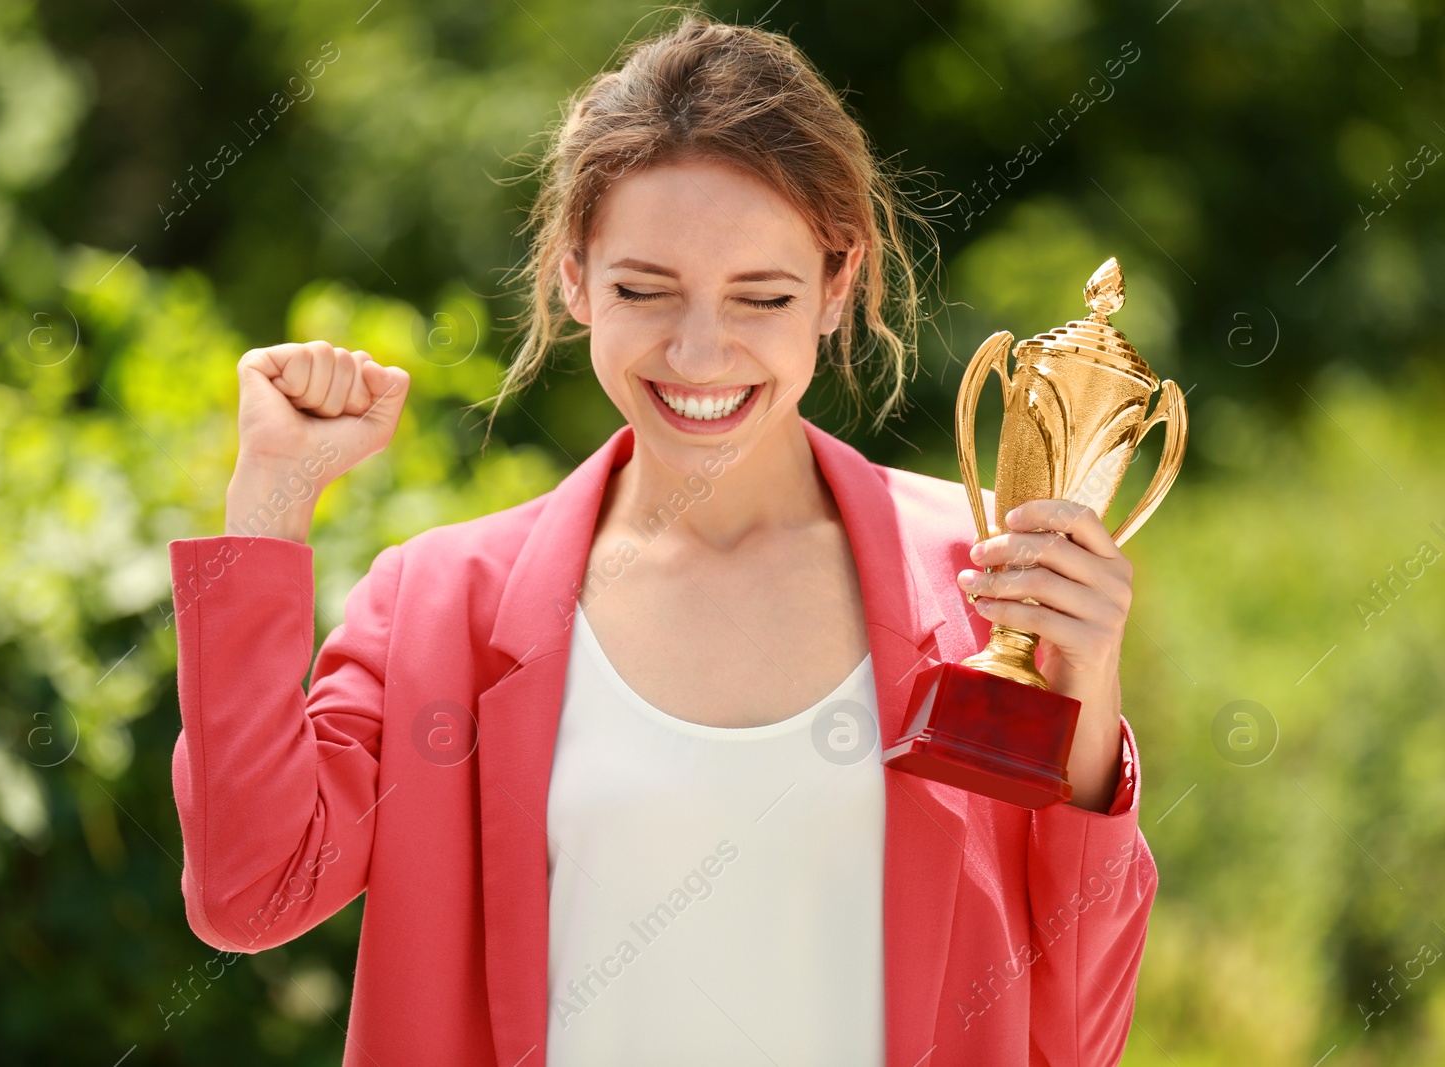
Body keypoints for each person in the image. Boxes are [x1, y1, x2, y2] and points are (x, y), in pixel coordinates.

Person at [166, 10, 1156, 1066]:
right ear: (573, 276)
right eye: (644, 288)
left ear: (837, 285)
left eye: (760, 295)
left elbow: (1075, 1034)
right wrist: (268, 503)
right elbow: (249, 892)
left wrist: (1084, 685)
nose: (697, 350)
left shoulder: (977, 578)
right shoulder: (437, 604)